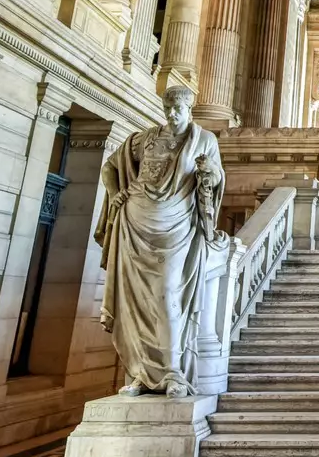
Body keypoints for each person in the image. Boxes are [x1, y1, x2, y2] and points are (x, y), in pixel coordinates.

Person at [95, 86, 225, 397]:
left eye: (177, 108)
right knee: (135, 300)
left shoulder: (204, 140)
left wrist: (209, 173)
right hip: (135, 222)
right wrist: (116, 196)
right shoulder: (143, 138)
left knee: (167, 295)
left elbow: (215, 177)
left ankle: (172, 371)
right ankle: (141, 372)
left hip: (176, 227)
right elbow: (110, 167)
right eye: (168, 107)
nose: (172, 113)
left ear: (189, 108)